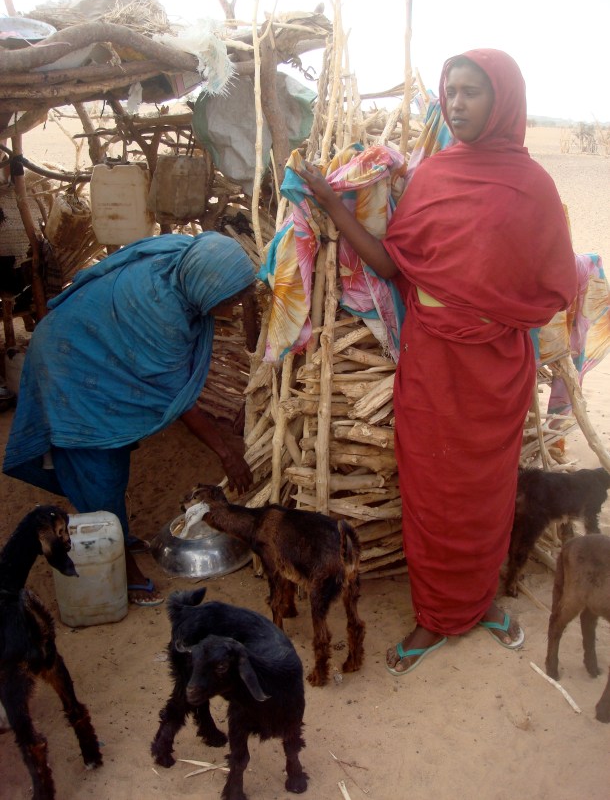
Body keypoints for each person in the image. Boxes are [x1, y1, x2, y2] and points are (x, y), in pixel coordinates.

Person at [297, 49, 578, 673]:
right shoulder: (434, 176)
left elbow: (557, 284)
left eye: (472, 91)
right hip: (432, 367)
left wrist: (499, 308)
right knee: (432, 493)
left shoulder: (533, 187)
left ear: (502, 99)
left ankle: (477, 605)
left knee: (487, 494)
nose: (456, 103)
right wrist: (335, 206)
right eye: (450, 90)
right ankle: (436, 617)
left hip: (496, 373)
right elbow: (395, 265)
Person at [3, 231, 257, 606]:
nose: (236, 305)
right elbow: (180, 400)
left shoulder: (181, 262)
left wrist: (248, 300)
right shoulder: (164, 317)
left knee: (115, 458)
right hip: (69, 364)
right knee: (99, 470)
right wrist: (226, 453)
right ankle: (122, 570)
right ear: (206, 287)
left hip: (90, 348)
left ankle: (115, 531)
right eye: (231, 297)